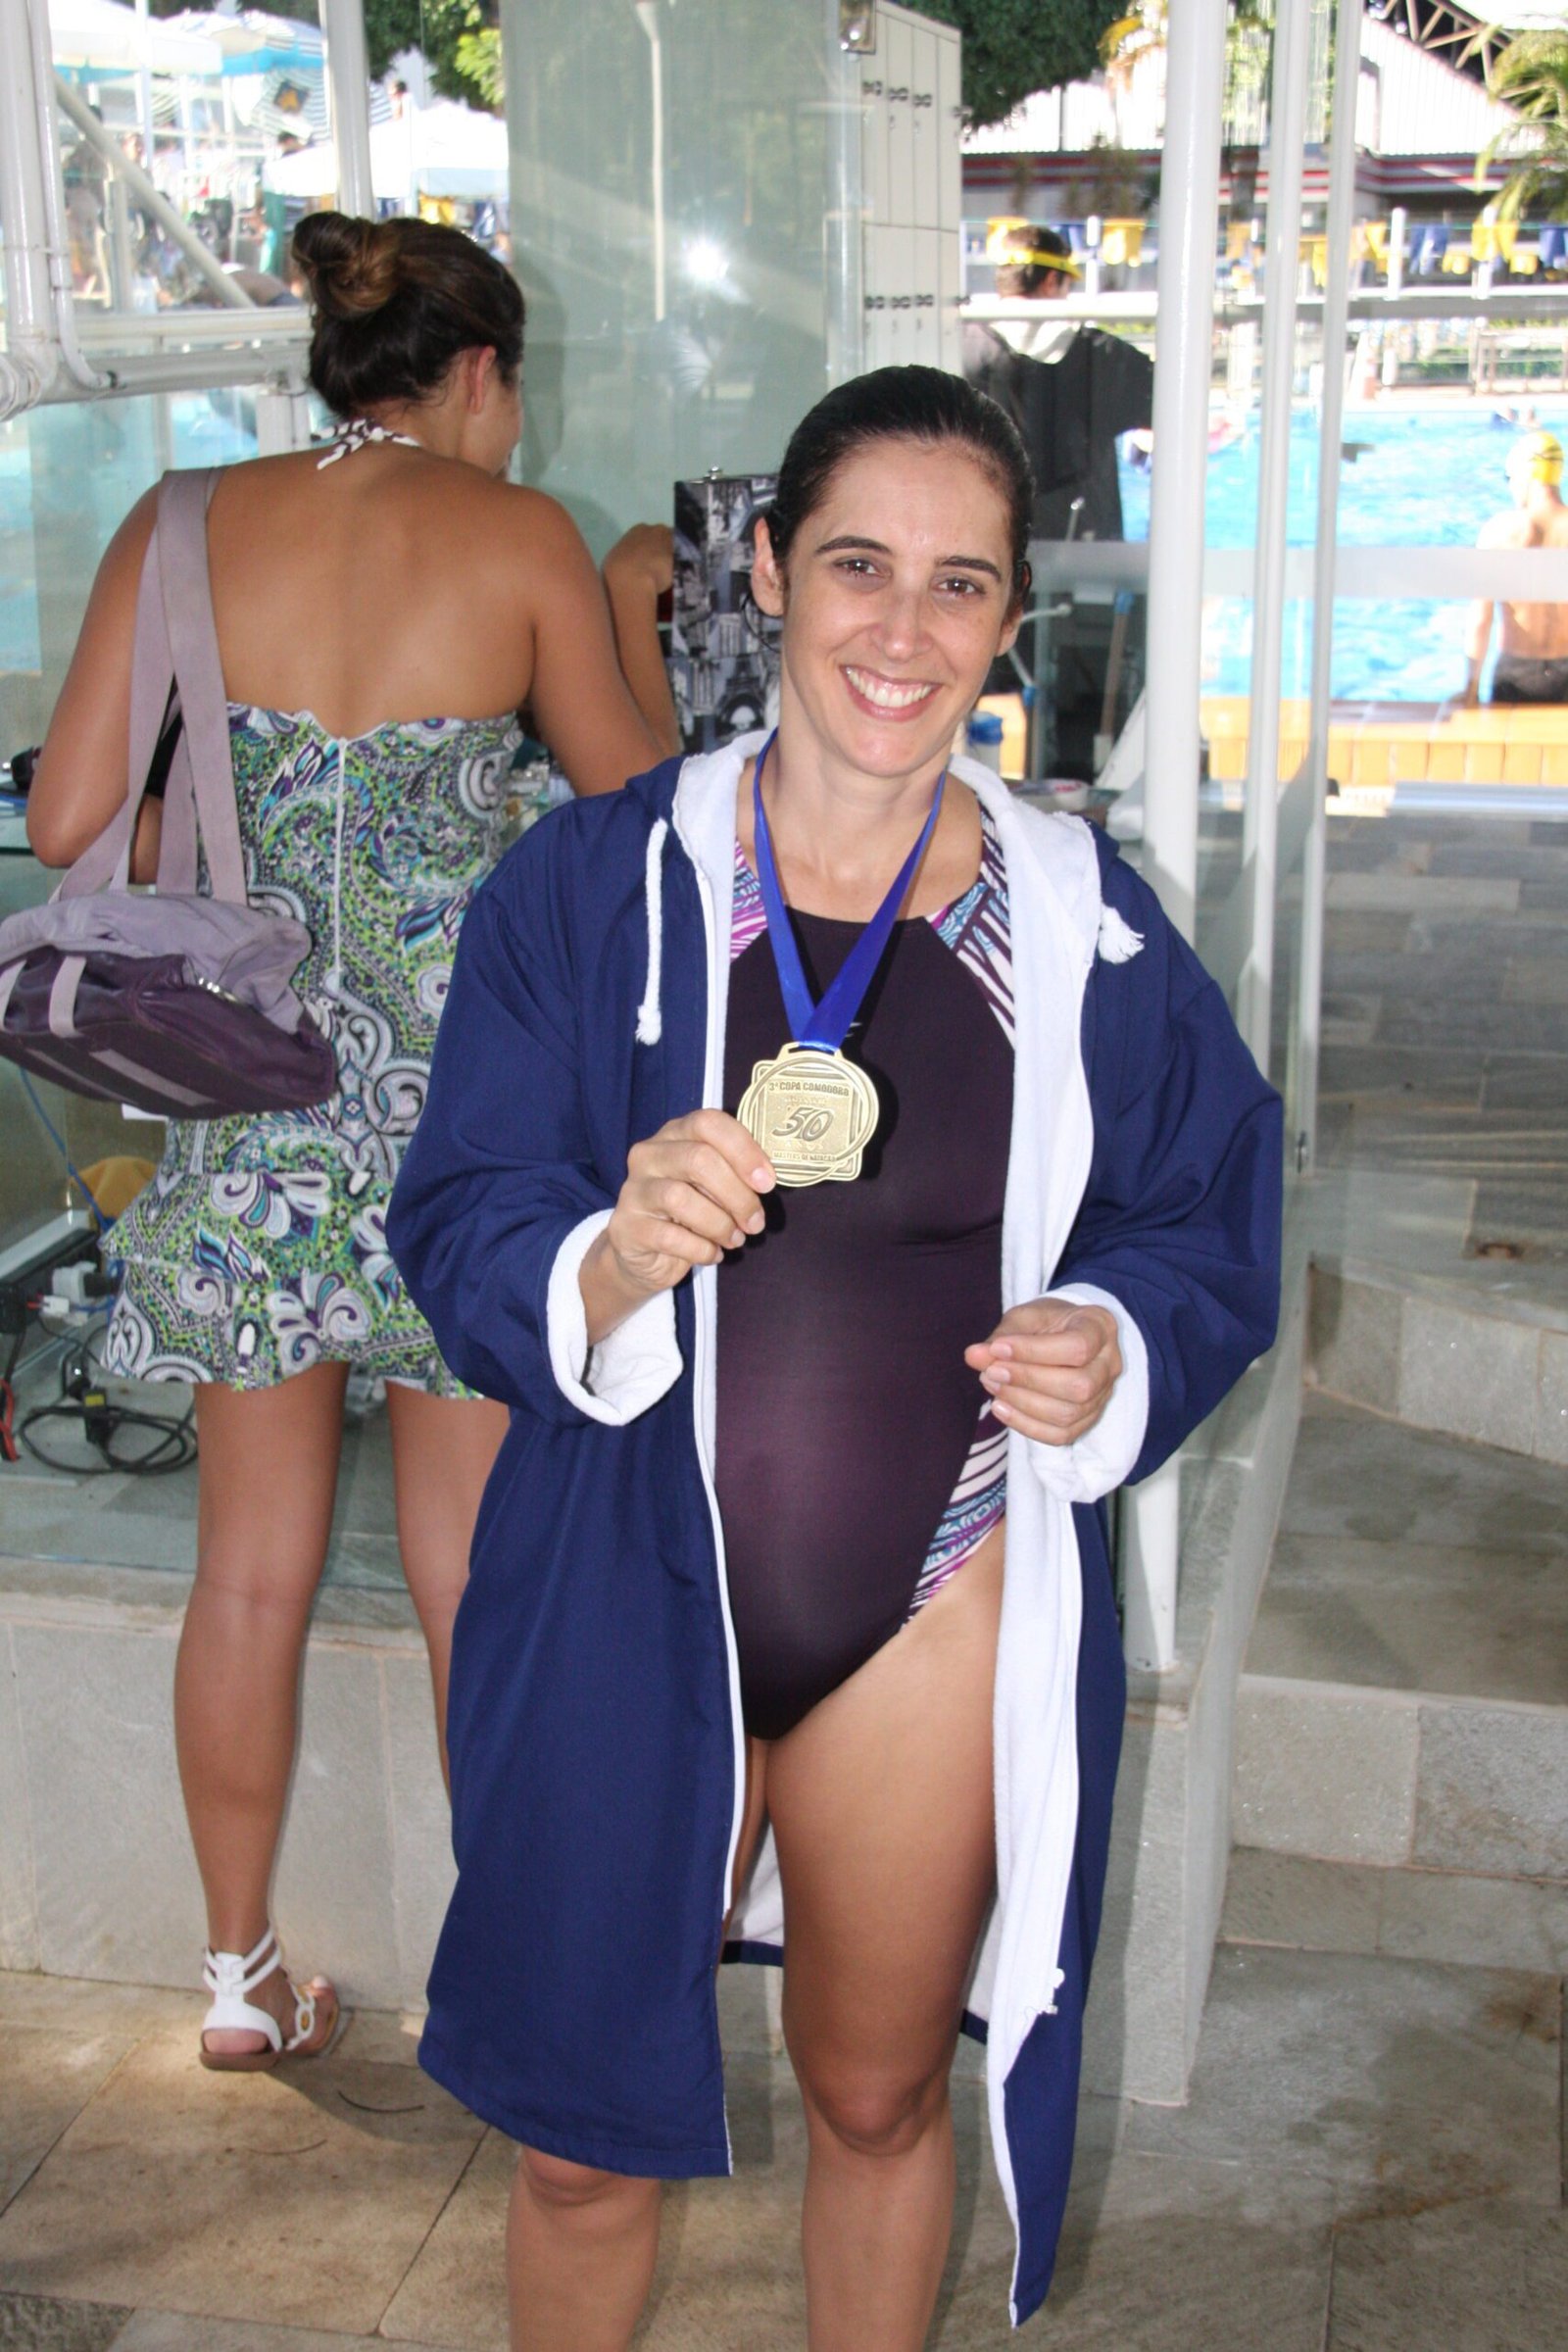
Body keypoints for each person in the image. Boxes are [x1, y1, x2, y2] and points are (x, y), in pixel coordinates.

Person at [388, 364, 1282, 2347]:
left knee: (878, 2100)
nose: (904, 630)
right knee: (578, 2145)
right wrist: (607, 1256)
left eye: (961, 585)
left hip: (936, 1588)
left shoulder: (1075, 925)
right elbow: (457, 1212)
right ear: (773, 572)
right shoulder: (594, 891)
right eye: (861, 565)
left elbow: (1206, 1205)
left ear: (1007, 619)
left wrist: (1115, 1337)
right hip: (629, 1574)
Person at [24, 211, 680, 2073]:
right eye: (516, 392)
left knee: (248, 1570)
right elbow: (641, 809)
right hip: (469, 1132)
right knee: (471, 1571)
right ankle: (507, 1983)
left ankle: (237, 1978)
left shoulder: (177, 524)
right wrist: (630, 604)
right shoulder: (524, 538)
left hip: (252, 1102)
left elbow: (66, 817)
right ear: (476, 373)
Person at [1462, 429, 1568, 707]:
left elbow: (1480, 619)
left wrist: (1471, 689)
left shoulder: (1499, 531)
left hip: (1517, 674)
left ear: (1525, 475)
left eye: (1509, 479)